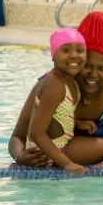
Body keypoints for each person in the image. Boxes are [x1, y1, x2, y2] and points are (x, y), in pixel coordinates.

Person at [9, 11, 103, 166]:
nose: (92, 75)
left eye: (102, 68)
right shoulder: (52, 86)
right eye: (87, 66)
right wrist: (20, 156)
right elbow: (17, 137)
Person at [27, 28, 89, 174]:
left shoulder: (70, 81)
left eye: (80, 50)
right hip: (48, 153)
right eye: (66, 50)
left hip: (55, 148)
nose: (74, 55)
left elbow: (55, 116)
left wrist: (79, 124)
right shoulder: (55, 84)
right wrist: (66, 164)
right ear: (53, 55)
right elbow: (37, 133)